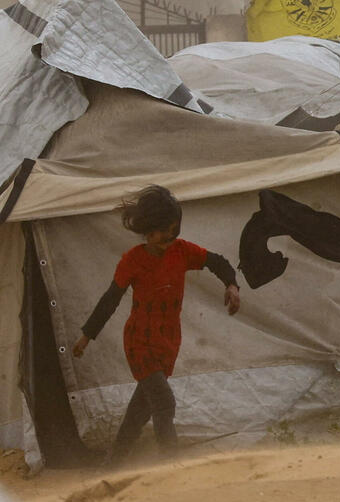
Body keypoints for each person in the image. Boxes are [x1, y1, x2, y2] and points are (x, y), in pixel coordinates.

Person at [72, 185, 241, 464]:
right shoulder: (133, 261)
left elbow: (217, 262)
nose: (169, 240)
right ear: (148, 231)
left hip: (168, 344)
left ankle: (111, 467)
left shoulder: (182, 252)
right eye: (163, 235)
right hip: (140, 343)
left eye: (174, 233)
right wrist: (86, 336)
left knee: (139, 413)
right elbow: (110, 300)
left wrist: (232, 285)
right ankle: (170, 468)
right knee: (164, 403)